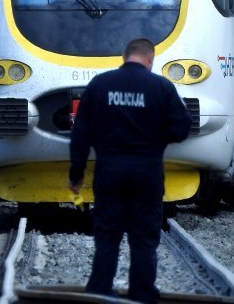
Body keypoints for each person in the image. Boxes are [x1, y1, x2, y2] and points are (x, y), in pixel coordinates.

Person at [69, 38, 192, 304]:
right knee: (144, 236)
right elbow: (182, 128)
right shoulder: (161, 87)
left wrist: (76, 175)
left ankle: (100, 291)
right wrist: (158, 135)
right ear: (150, 58)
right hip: (147, 172)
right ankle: (142, 294)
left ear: (125, 56)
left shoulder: (100, 85)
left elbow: (80, 134)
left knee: (107, 234)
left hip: (109, 171)